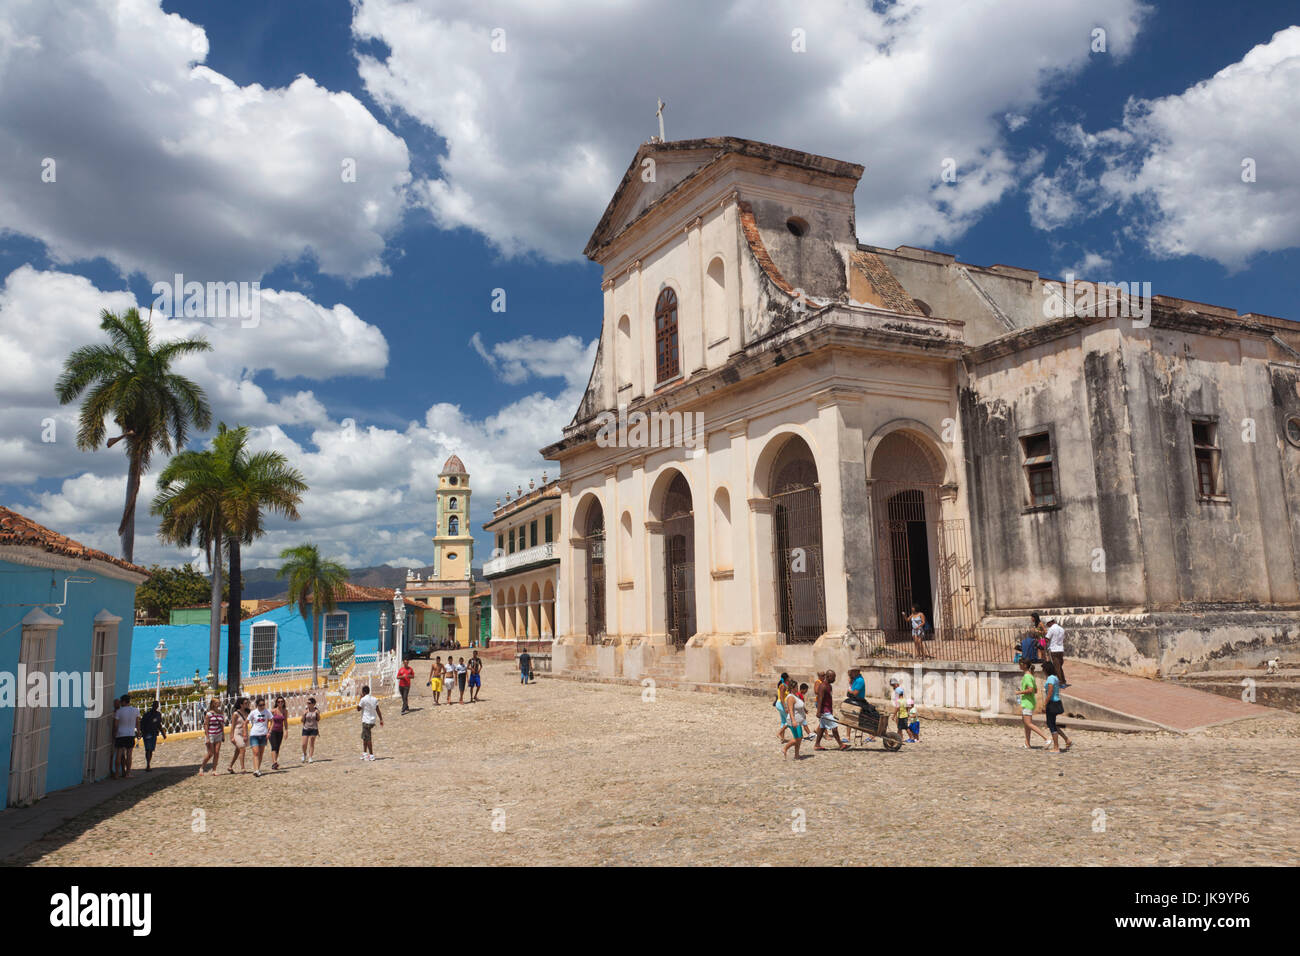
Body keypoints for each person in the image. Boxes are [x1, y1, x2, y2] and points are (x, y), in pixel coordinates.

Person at [1017, 659, 1050, 748]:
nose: (1018, 666)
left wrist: (1019, 692)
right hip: (1029, 702)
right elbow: (1035, 690)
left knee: (1028, 723)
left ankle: (1046, 738)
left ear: (1024, 665)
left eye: (1020, 664)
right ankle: (1027, 743)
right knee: (1026, 724)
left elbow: (1031, 690)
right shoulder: (1031, 676)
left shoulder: (1027, 677)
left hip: (1027, 703)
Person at [813, 670, 849, 751]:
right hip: (824, 711)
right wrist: (818, 711)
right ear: (828, 677)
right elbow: (820, 699)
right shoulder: (823, 686)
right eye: (834, 677)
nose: (835, 679)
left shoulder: (829, 686)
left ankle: (817, 745)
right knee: (834, 727)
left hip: (828, 710)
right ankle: (841, 744)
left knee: (822, 728)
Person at [1042, 662, 1072, 753]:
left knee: (1051, 725)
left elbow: (1050, 692)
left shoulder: (1050, 678)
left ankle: (1056, 747)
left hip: (1052, 703)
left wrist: (1045, 704)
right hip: (1056, 702)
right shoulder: (1055, 677)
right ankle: (1067, 740)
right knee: (1052, 724)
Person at [113, 692, 140, 779]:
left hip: (120, 734)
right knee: (129, 754)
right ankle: (128, 773)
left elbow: (116, 725)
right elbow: (137, 723)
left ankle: (117, 773)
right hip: (130, 734)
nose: (120, 703)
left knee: (119, 754)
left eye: (121, 701)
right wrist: (138, 732)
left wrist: (114, 733)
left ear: (124, 702)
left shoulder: (119, 711)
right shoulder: (136, 710)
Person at [783, 682, 810, 759]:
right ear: (792, 688)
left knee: (799, 738)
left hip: (799, 720)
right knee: (797, 738)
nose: (797, 688)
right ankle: (785, 748)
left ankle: (796, 755)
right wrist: (793, 720)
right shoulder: (791, 697)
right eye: (796, 687)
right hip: (794, 721)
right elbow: (791, 710)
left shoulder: (796, 695)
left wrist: (804, 710)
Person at [357, 685, 383, 760]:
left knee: (368, 738)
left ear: (363, 692)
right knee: (364, 737)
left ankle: (371, 755)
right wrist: (381, 719)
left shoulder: (363, 699)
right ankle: (364, 753)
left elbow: (358, 709)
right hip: (372, 721)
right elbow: (378, 710)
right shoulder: (374, 699)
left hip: (366, 721)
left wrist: (360, 699)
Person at [140, 699, 166, 771]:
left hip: (152, 733)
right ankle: (148, 764)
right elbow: (142, 724)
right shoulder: (149, 715)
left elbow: (159, 725)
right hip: (148, 733)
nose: (156, 706)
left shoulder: (157, 714)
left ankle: (148, 764)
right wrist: (142, 732)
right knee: (148, 749)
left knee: (150, 750)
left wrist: (163, 733)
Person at [200, 698, 225, 774]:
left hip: (219, 734)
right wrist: (207, 737)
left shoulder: (221, 713)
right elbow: (206, 725)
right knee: (210, 753)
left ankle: (214, 770)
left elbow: (221, 724)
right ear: (213, 704)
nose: (219, 703)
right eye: (217, 702)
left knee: (217, 752)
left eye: (219, 702)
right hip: (211, 734)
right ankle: (202, 767)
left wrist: (223, 734)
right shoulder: (209, 714)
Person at [227, 697, 250, 773]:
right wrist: (231, 736)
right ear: (241, 704)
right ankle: (243, 768)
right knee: (242, 748)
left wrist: (246, 734)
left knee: (238, 751)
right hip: (237, 733)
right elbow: (233, 726)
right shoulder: (235, 714)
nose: (247, 704)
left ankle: (230, 766)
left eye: (247, 703)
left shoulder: (247, 713)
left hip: (244, 733)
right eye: (245, 703)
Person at [1045, 618, 1068, 687]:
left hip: (1054, 650)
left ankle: (1060, 682)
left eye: (1048, 624)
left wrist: (1039, 643)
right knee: (1059, 666)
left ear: (1050, 623)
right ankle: (1063, 680)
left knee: (1056, 667)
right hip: (1060, 650)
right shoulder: (1061, 629)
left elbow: (1047, 639)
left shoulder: (1051, 629)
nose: (1047, 625)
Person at [269, 697, 289, 770]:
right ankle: (274, 762)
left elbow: (285, 721)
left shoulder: (285, 711)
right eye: (278, 702)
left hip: (280, 731)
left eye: (281, 701)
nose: (280, 703)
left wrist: (286, 731)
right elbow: (268, 720)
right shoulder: (273, 711)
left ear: (283, 702)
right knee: (274, 746)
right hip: (272, 731)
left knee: (277, 747)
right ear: (276, 703)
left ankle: (274, 762)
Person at [300, 697, 320, 762]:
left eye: (309, 703)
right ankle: (304, 754)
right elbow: (302, 720)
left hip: (314, 728)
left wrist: (317, 714)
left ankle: (310, 757)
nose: (308, 704)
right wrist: (304, 714)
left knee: (311, 743)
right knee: (304, 744)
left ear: (313, 704)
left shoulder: (316, 710)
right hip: (306, 728)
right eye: (307, 703)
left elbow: (318, 719)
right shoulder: (305, 710)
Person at [774, 672, 791, 742]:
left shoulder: (784, 685)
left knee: (783, 721)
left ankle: (782, 738)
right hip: (781, 704)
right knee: (789, 719)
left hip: (781, 704)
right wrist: (785, 707)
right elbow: (781, 697)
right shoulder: (783, 686)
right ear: (786, 678)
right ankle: (779, 733)